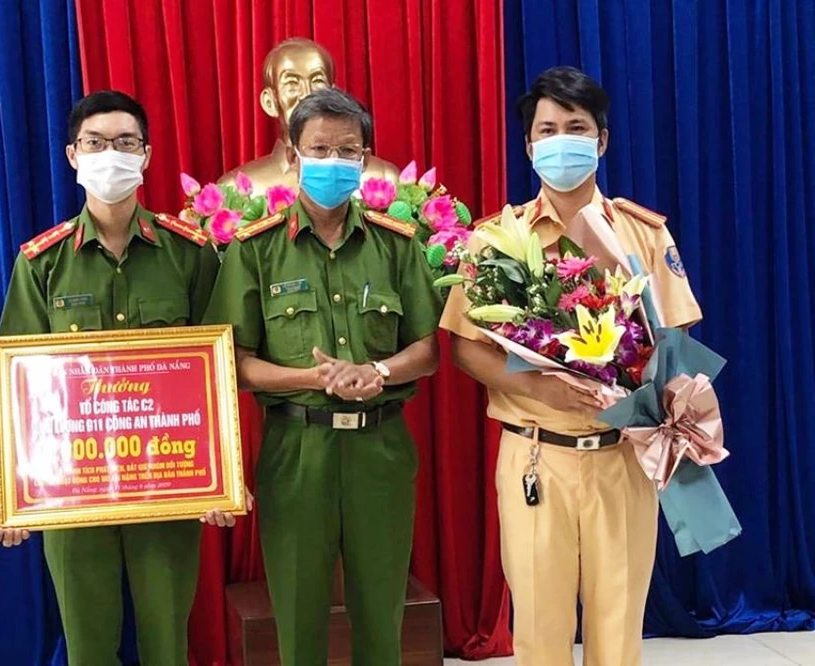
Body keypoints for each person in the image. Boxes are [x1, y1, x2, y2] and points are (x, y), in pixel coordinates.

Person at [440, 66, 702, 666]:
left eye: (577, 128)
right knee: (539, 624)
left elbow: (678, 335)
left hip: (623, 455)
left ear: (601, 140)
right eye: (548, 130)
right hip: (536, 454)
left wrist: (641, 380)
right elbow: (466, 346)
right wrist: (542, 387)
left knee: (619, 624)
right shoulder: (494, 241)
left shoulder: (642, 234)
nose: (562, 141)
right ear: (529, 146)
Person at [0, 90, 242, 666]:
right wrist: (11, 489)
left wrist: (223, 476)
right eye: (95, 143)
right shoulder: (43, 262)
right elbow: (19, 385)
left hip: (168, 479)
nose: (111, 155)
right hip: (74, 487)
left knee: (167, 642)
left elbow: (217, 372)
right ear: (73, 155)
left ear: (145, 155)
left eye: (125, 142)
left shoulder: (190, 254)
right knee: (88, 646)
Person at [204, 88, 442, 665]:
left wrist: (376, 370)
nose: (333, 162)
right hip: (296, 449)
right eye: (319, 149)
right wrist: (314, 379)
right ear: (293, 154)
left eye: (347, 151)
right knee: (298, 616)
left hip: (380, 448)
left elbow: (429, 348)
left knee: (381, 616)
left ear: (365, 158)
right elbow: (233, 362)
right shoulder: (256, 250)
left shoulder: (396, 245)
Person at [217, 37, 398, 193]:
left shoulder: (384, 179)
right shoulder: (237, 189)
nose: (307, 94)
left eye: (317, 81)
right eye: (292, 83)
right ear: (269, 101)